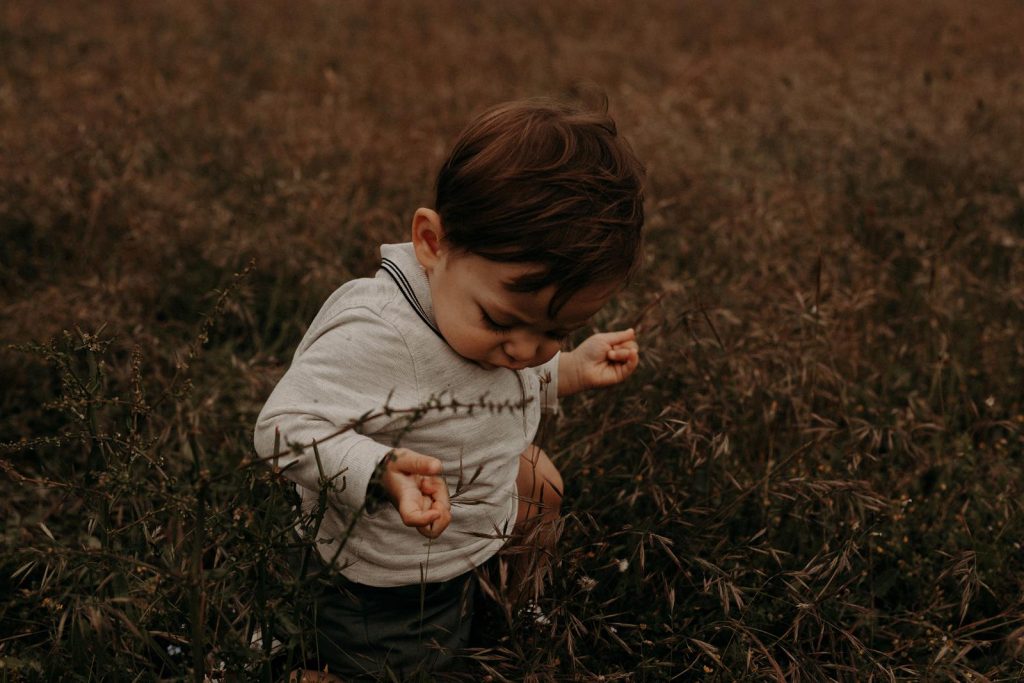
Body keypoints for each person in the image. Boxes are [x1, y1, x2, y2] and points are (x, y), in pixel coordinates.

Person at [253, 97, 645, 679]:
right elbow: (281, 428)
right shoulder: (380, 334)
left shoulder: (489, 326)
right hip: (389, 583)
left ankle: (509, 612)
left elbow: (497, 380)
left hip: (467, 527)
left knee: (540, 484)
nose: (523, 350)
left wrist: (570, 366)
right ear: (433, 243)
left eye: (557, 330)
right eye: (500, 321)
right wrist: (379, 467)